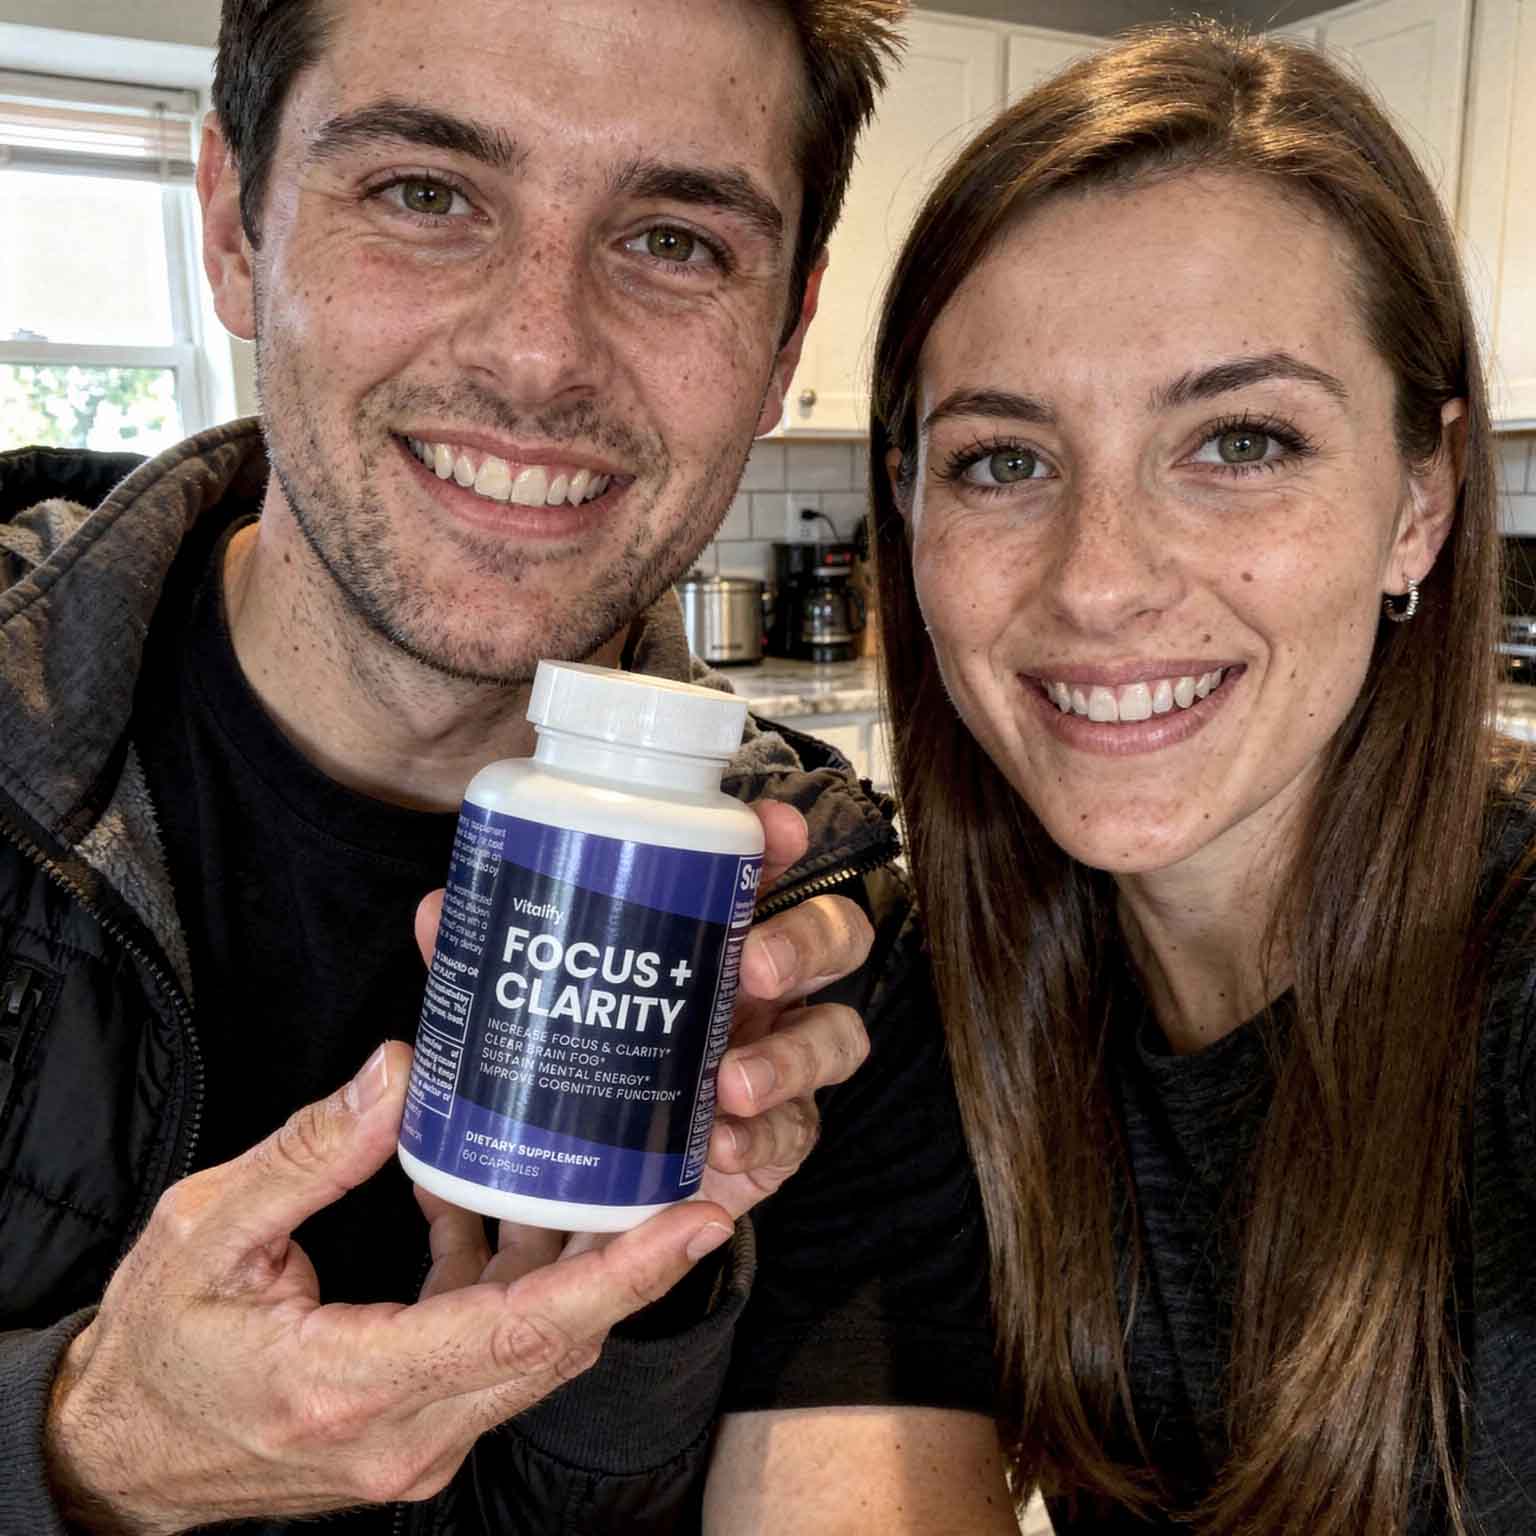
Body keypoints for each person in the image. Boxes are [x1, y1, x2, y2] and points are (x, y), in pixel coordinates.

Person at [0, 0, 1009, 1531]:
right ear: (233, 227)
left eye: (673, 240)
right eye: (425, 193)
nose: (540, 353)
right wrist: (84, 1443)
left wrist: (653, 1300)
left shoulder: (820, 937)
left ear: (784, 341)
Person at [869, 19, 1533, 1535]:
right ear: (908, 512)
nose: (1100, 582)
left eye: (1239, 441)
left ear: (1421, 501)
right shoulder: (956, 1003)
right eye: (1003, 461)